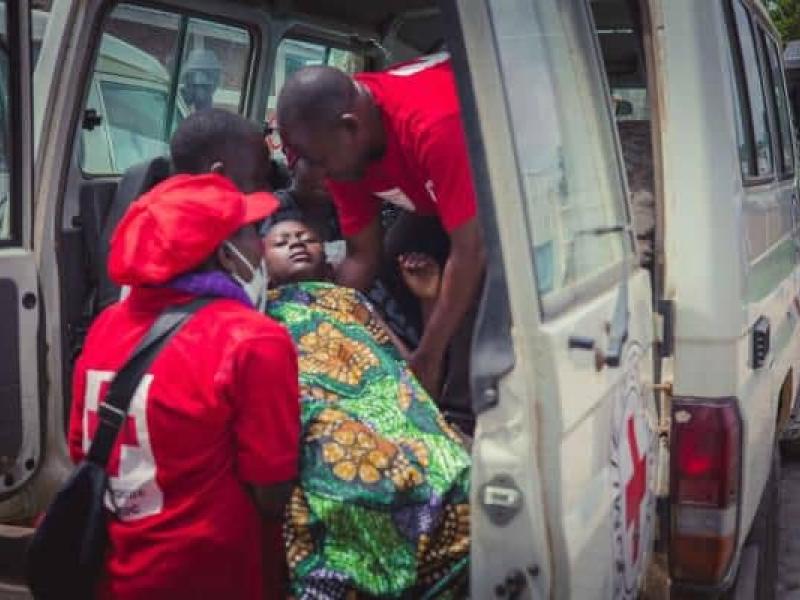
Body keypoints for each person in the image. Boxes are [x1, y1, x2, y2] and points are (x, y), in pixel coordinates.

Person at [68, 173, 300, 599]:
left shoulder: (107, 326)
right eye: (251, 233)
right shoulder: (253, 339)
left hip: (115, 572)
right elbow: (271, 491)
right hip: (213, 578)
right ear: (226, 255)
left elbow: (82, 450)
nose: (261, 246)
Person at [263, 215, 471, 599]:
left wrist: (427, 300)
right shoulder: (260, 319)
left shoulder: (351, 301)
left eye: (306, 237)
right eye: (281, 241)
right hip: (327, 434)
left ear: (328, 258)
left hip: (393, 425)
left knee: (454, 479)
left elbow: (414, 380)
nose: (296, 243)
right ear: (261, 267)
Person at [276, 53, 486, 400]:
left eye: (323, 163)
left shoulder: (433, 127)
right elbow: (363, 256)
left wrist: (429, 357)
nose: (322, 177)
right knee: (395, 258)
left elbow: (470, 250)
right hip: (437, 195)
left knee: (479, 295)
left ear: (351, 127)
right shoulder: (338, 146)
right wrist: (318, 321)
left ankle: (461, 409)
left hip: (508, 184)